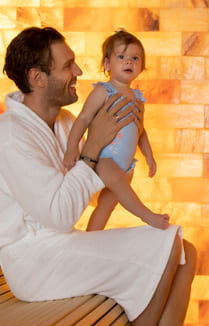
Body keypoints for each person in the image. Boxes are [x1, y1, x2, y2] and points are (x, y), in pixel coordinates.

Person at [0, 26, 209, 326]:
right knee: (163, 246)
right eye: (68, 65)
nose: (79, 71)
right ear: (37, 77)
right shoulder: (10, 134)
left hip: (62, 246)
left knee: (186, 251)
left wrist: (119, 162)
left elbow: (84, 187)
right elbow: (61, 214)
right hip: (34, 261)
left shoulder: (61, 123)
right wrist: (93, 149)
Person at [63, 29, 168, 231]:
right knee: (120, 188)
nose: (129, 62)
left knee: (106, 206)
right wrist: (71, 148)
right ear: (107, 64)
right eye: (121, 57)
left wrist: (149, 155)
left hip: (125, 165)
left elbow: (140, 130)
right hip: (105, 160)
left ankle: (91, 238)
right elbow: (83, 118)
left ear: (141, 66)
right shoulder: (103, 91)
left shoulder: (138, 98)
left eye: (135, 58)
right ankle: (147, 216)